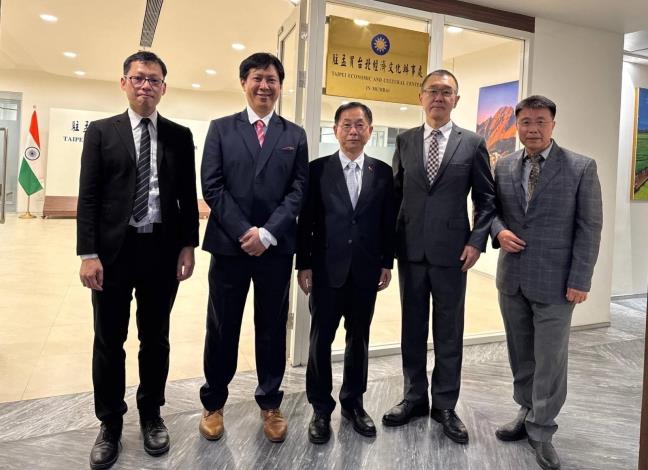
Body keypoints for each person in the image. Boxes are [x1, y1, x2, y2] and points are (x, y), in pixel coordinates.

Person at [77, 51, 199, 469]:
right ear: (124, 82)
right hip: (112, 254)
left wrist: (187, 246)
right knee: (109, 340)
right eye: (138, 78)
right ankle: (109, 422)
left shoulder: (180, 136)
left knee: (156, 338)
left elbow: (186, 197)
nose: (145, 86)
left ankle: (151, 414)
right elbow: (89, 198)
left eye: (154, 80)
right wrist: (88, 254)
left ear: (164, 87)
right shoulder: (100, 132)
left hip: (161, 252)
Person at [198, 52, 309, 443]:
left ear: (280, 86)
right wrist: (247, 230)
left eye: (272, 80)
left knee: (272, 327)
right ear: (244, 83)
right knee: (222, 326)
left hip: (274, 250)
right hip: (230, 247)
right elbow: (211, 185)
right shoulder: (222, 129)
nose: (265, 86)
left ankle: (270, 403)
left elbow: (299, 190)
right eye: (258, 78)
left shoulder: (293, 135)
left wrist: (267, 233)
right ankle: (213, 403)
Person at [382, 69, 496, 444]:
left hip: (453, 254)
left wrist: (477, 241)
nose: (439, 97)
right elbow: (394, 197)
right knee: (412, 330)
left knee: (449, 332)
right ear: (421, 97)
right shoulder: (406, 141)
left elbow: (486, 199)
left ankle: (444, 404)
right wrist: (387, 249)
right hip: (411, 251)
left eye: (447, 92)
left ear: (456, 100)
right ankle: (414, 398)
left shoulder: (473, 143)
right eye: (433, 90)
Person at [491, 95, 602, 470]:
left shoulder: (581, 167)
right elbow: (490, 213)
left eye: (540, 122)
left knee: (550, 360)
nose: (533, 129)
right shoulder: (504, 166)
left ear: (553, 125)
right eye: (525, 122)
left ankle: (543, 431)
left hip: (557, 284)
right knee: (521, 355)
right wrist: (499, 231)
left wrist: (580, 279)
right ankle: (525, 412)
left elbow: (589, 227)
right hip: (513, 280)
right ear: (517, 125)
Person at [296, 102, 395, 444]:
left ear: (370, 129)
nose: (354, 131)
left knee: (359, 339)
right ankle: (321, 409)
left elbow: (387, 222)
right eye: (347, 125)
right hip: (325, 270)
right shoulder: (317, 170)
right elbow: (305, 221)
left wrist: (387, 262)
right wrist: (304, 264)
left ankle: (353, 403)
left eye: (360, 124)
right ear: (336, 130)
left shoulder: (382, 172)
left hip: (366, 271)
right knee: (320, 341)